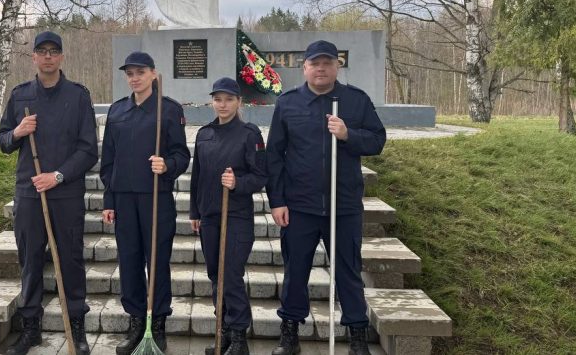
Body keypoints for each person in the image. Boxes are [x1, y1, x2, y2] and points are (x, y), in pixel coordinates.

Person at [266, 40, 387, 355]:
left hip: (343, 205)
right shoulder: (288, 103)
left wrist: (348, 135)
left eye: (327, 63)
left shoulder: (355, 101)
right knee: (296, 273)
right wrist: (277, 201)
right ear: (304, 67)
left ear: (337, 66)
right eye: (315, 63)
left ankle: (356, 334)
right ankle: (290, 332)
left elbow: (377, 141)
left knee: (348, 272)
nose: (321, 69)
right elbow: (274, 156)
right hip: (299, 206)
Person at [0, 31, 98, 355]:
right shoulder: (20, 96)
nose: (48, 57)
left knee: (70, 259)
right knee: (29, 261)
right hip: (29, 192)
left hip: (65, 192)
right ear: (34, 57)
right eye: (42, 51)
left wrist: (58, 176)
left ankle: (77, 327)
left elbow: (88, 150)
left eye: (54, 51)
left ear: (62, 57)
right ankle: (31, 328)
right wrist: (17, 132)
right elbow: (2, 141)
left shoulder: (78, 96)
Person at [100, 51, 192, 354]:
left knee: (157, 262)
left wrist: (167, 165)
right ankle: (136, 321)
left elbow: (182, 154)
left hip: (155, 198)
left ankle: (159, 322)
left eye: (140, 72)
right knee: (129, 262)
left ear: (153, 73)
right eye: (130, 73)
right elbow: (108, 162)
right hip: (124, 199)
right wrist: (109, 199)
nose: (135, 78)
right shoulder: (117, 111)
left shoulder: (168, 110)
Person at [190, 77, 267, 355]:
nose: (222, 105)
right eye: (218, 99)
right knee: (215, 276)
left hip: (236, 217)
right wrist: (194, 211)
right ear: (212, 101)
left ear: (239, 102)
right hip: (210, 216)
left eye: (229, 99)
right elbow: (197, 175)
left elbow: (260, 176)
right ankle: (221, 332)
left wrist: (238, 183)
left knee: (231, 275)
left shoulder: (249, 133)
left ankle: (238, 338)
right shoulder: (203, 134)